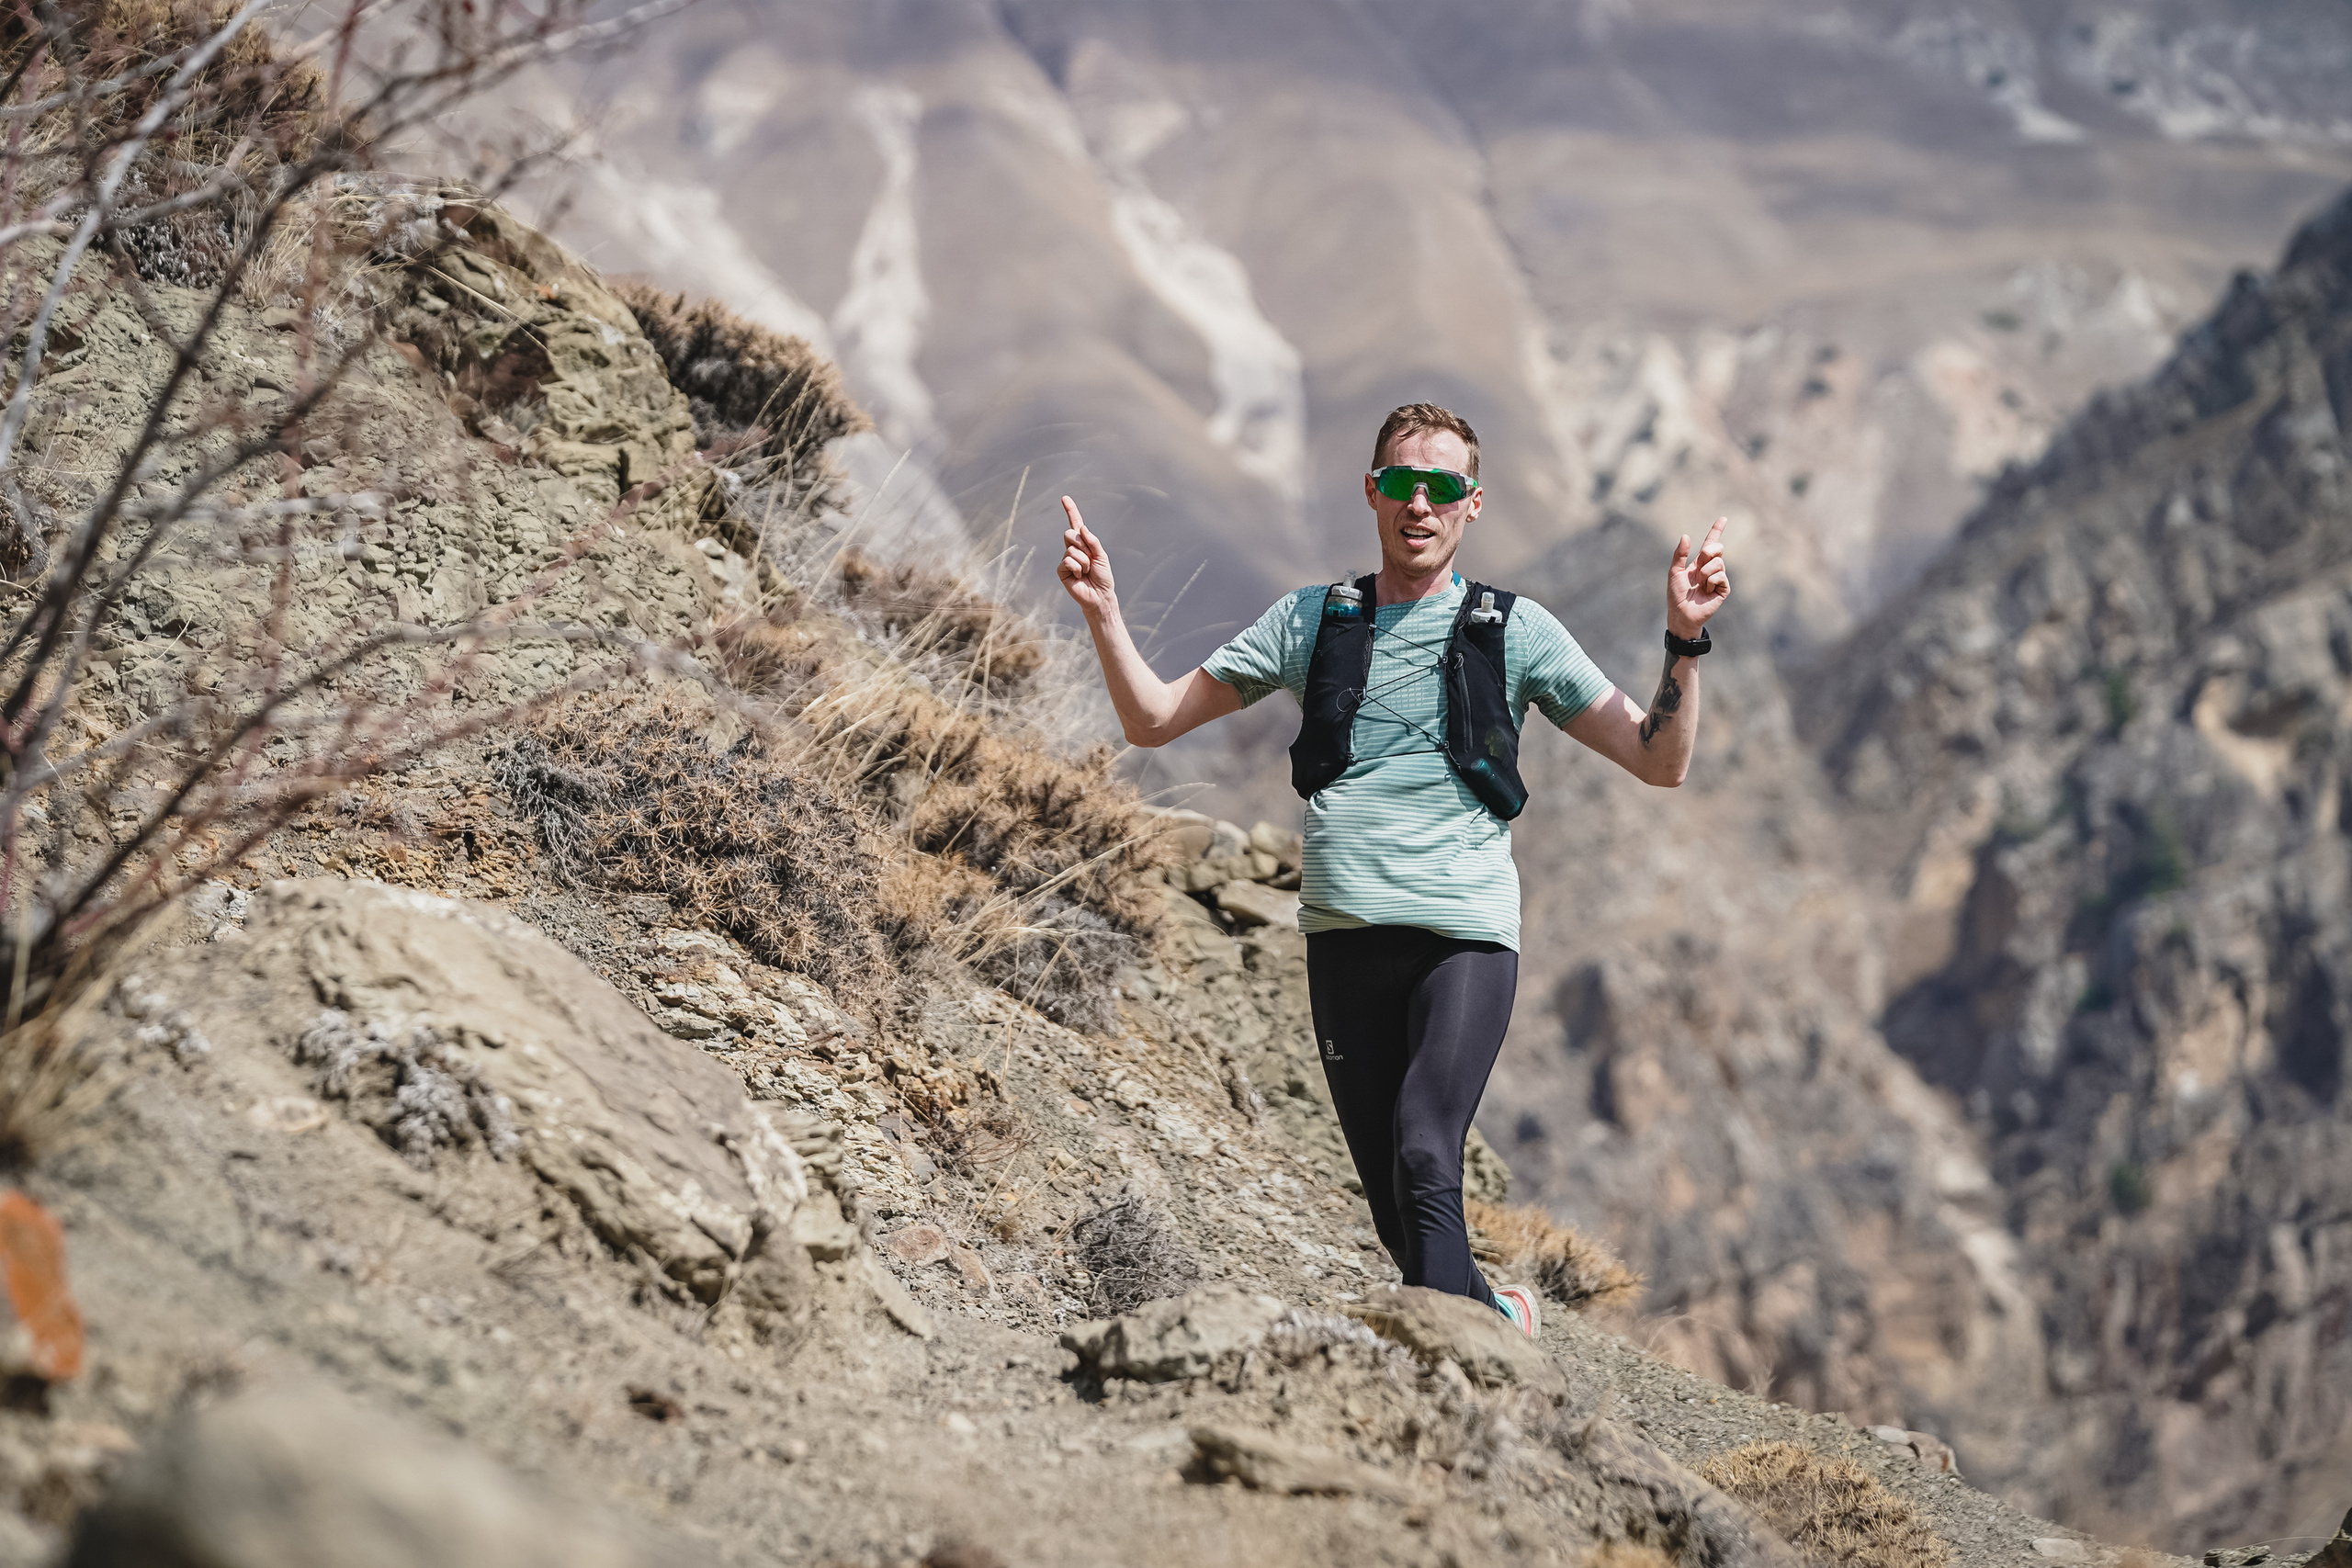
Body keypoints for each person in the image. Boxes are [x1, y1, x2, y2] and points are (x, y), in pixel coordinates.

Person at [1056, 402, 1729, 1337]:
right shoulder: (1311, 621)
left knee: (1425, 1154)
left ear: (1473, 504)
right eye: (1403, 482)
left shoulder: (1514, 631)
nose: (1422, 502)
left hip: (1463, 940)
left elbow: (1660, 759)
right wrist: (1104, 615)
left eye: (1443, 485)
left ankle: (1484, 1400)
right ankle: (1495, 1319)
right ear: (1372, 491)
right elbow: (1155, 719)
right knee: (1397, 1217)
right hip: (1342, 946)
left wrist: (1683, 640)